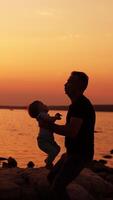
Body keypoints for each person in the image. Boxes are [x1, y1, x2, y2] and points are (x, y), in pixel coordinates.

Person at [38, 71, 96, 200]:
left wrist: (48, 126)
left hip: (80, 154)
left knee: (58, 187)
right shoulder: (76, 105)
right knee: (51, 177)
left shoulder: (80, 105)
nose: (65, 84)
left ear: (79, 85)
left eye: (70, 81)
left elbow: (71, 131)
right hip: (72, 152)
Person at [28, 100, 61, 169]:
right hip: (43, 140)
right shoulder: (41, 115)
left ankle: (48, 161)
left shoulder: (44, 115)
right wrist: (55, 117)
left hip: (48, 140)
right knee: (54, 151)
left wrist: (54, 117)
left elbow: (49, 120)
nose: (45, 105)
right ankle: (48, 163)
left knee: (57, 149)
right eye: (42, 105)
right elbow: (50, 120)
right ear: (39, 110)